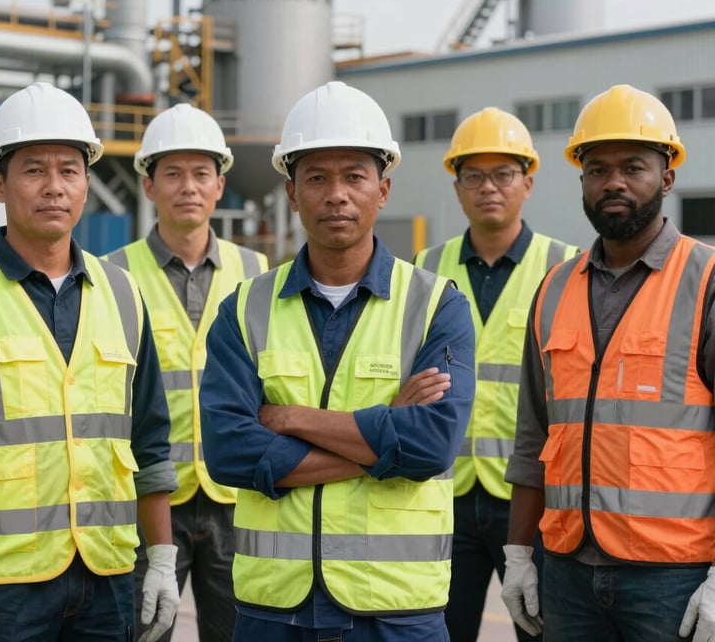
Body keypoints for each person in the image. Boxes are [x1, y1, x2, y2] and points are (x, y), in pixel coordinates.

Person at [199, 80, 476, 642]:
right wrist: (383, 433)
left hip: (397, 612)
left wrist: (288, 417)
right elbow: (228, 452)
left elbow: (429, 446)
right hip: (273, 612)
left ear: (384, 189)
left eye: (355, 176)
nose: (337, 194)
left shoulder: (435, 304)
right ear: (293, 192)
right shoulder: (244, 309)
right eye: (317, 178)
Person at [0, 82, 179, 642]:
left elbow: (149, 443)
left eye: (69, 170)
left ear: (87, 182)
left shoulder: (123, 294)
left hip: (107, 578)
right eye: (33, 170)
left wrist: (164, 560)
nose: (54, 187)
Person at [501, 84, 715, 642]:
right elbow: (534, 438)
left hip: (675, 576)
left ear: (666, 177)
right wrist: (519, 554)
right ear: (581, 183)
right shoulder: (553, 289)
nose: (613, 181)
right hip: (567, 569)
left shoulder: (707, 281)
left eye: (633, 167)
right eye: (596, 169)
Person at [105, 103, 269, 642]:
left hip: (234, 495)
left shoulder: (257, 272)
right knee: (143, 631)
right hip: (151, 501)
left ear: (221, 185)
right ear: (148, 186)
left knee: (240, 633)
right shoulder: (113, 276)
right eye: (172, 174)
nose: (188, 187)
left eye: (201, 174)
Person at [415, 108, 579, 642]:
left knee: (540, 629)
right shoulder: (424, 269)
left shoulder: (565, 269)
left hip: (530, 496)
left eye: (503, 174)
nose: (489, 187)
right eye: (474, 175)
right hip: (445, 495)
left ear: (528, 183)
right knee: (441, 630)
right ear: (457, 186)